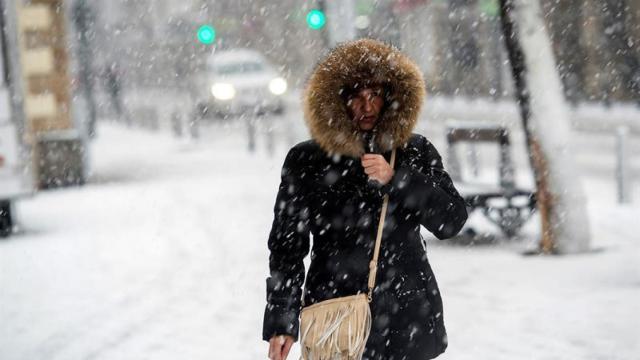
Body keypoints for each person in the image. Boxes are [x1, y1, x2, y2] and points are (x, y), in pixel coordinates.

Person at [263, 38, 468, 360]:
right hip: (336, 317)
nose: (367, 107)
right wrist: (282, 321)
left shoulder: (414, 151)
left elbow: (451, 221)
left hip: (407, 314)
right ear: (335, 102)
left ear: (392, 99)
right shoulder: (307, 160)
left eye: (375, 95)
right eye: (356, 97)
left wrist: (396, 180)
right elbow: (287, 247)